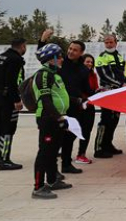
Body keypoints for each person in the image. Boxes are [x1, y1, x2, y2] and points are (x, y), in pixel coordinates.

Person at [38, 30, 89, 174]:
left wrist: (94, 96)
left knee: (70, 137)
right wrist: (42, 40)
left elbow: (86, 89)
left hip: (74, 106)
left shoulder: (84, 69)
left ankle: (66, 164)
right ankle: (52, 172)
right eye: (70, 48)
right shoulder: (60, 62)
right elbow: (43, 55)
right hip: (57, 108)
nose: (71, 52)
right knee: (55, 140)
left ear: (81, 53)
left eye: (75, 50)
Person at [31, 43, 73, 199]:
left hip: (57, 118)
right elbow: (46, 100)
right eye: (59, 56)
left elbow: (61, 97)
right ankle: (38, 187)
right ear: (51, 59)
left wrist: (80, 101)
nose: (62, 59)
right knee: (44, 152)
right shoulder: (43, 75)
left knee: (54, 151)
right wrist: (59, 118)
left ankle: (53, 180)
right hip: (48, 119)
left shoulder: (55, 74)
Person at [0, 37, 27, 170]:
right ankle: (5, 160)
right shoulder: (15, 59)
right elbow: (12, 81)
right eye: (25, 47)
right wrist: (16, 99)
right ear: (22, 46)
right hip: (9, 98)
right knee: (9, 128)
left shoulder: (1, 56)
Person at [93, 34, 126, 159]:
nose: (109, 44)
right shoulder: (102, 57)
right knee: (105, 120)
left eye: (111, 42)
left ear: (116, 42)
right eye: (106, 42)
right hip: (108, 92)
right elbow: (103, 75)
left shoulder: (118, 56)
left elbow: (122, 74)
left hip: (119, 93)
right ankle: (99, 148)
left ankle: (108, 144)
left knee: (114, 119)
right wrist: (119, 84)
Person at [75, 54, 98, 165]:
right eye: (87, 62)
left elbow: (94, 89)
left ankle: (81, 154)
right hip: (78, 106)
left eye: (91, 62)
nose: (89, 64)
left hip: (89, 105)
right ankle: (63, 151)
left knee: (86, 130)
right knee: (73, 130)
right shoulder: (78, 74)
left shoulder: (93, 75)